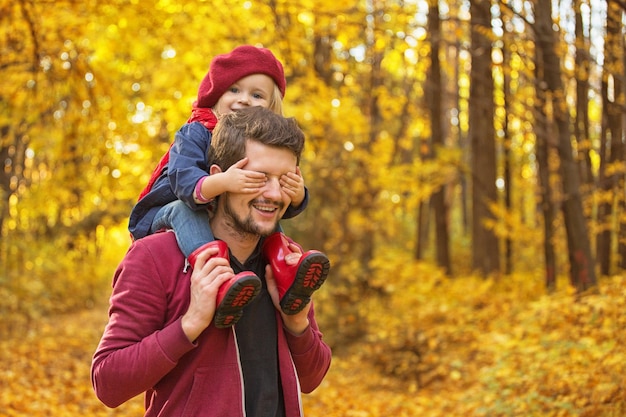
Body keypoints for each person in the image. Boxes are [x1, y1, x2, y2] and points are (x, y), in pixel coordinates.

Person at [92, 106, 332, 417]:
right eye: (258, 177)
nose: (274, 194)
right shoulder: (154, 256)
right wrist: (190, 323)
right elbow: (108, 382)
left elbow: (312, 377)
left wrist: (297, 322)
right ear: (220, 178)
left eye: (284, 180)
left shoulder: (287, 261)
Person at [128, 45, 330, 327]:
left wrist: (296, 196)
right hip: (171, 207)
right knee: (187, 212)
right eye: (234, 90)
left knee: (266, 215)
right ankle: (219, 280)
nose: (244, 100)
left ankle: (286, 270)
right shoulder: (196, 131)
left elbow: (274, 194)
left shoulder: (262, 147)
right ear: (216, 95)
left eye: (256, 95)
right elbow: (181, 178)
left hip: (215, 205)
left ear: (270, 108)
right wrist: (223, 181)